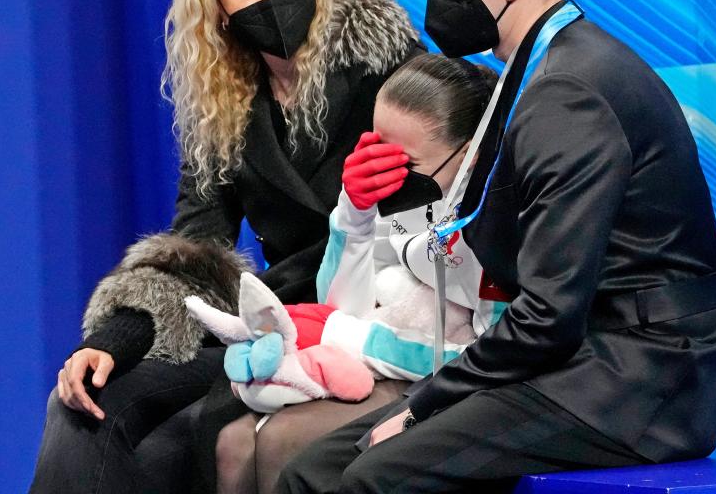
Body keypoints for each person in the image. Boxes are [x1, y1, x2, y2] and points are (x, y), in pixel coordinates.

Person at [277, 0, 716, 494]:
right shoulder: (534, 70)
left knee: (371, 477)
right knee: (311, 470)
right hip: (580, 360)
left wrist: (424, 403)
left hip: (637, 380)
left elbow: (548, 314)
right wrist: (356, 215)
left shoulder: (570, 91)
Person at [29, 0, 421, 494]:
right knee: (85, 403)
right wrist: (112, 342)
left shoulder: (392, 68)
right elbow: (196, 246)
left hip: (375, 325)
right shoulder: (224, 104)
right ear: (218, 6)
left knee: (187, 440)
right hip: (272, 321)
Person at [208, 54, 506, 493]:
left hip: (447, 383)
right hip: (375, 362)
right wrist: (355, 213)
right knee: (232, 444)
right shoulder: (404, 200)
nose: (389, 172)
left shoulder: (500, 224)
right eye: (378, 150)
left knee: (281, 441)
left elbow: (489, 354)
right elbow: (344, 306)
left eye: (407, 163)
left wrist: (355, 339)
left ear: (469, 156)